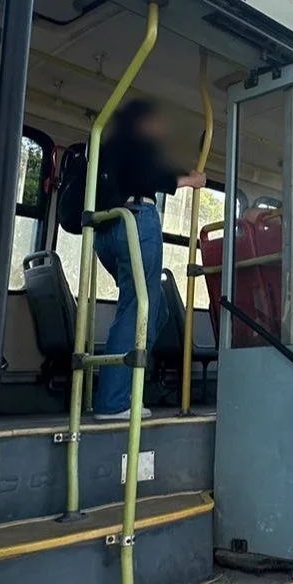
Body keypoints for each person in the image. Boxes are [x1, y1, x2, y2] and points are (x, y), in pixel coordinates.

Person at [93, 99, 206, 420]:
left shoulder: (109, 144)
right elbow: (148, 176)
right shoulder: (139, 145)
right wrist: (189, 181)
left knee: (154, 312)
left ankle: (120, 388)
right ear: (144, 122)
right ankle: (112, 402)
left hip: (106, 230)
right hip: (135, 220)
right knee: (138, 308)